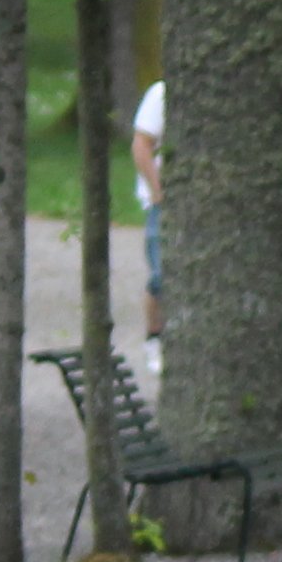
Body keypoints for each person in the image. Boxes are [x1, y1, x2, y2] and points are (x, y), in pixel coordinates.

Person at [129, 72, 168, 354]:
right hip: (163, 199)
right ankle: (154, 336)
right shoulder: (161, 94)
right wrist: (157, 190)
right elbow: (142, 144)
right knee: (161, 272)